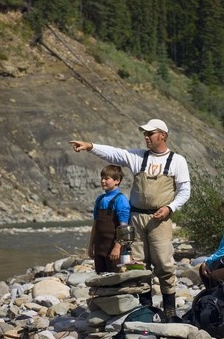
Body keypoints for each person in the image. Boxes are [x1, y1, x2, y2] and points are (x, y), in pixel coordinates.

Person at [69, 119, 191, 318]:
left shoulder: (177, 161)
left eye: (150, 133)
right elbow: (114, 153)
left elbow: (185, 191)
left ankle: (169, 309)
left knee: (164, 264)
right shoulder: (138, 156)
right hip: (136, 218)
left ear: (163, 135)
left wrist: (170, 208)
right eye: (144, 133)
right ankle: (145, 307)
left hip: (160, 219)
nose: (146, 137)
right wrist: (90, 147)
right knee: (137, 264)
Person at [88, 165, 130, 273]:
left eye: (107, 179)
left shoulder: (121, 199)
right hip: (99, 248)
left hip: (113, 249)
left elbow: (124, 227)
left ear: (117, 181)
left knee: (115, 279)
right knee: (101, 278)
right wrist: (90, 245)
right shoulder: (100, 199)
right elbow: (95, 225)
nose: (103, 181)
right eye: (102, 178)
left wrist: (117, 247)